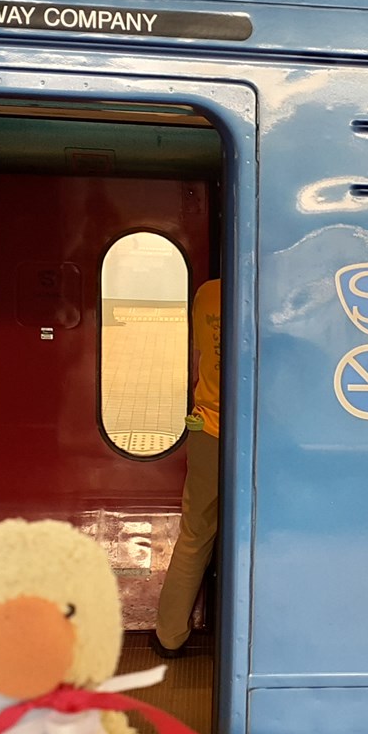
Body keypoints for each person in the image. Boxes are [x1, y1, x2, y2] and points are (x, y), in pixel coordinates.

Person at [151, 278, 220, 658]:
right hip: (263, 435)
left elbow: (202, 351)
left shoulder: (207, 294)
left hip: (208, 429)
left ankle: (170, 637)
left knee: (195, 534)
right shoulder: (278, 291)